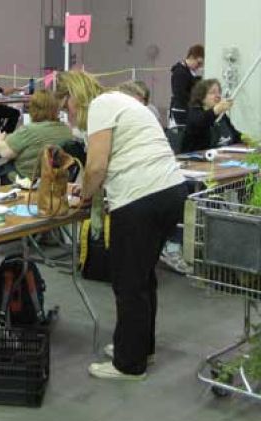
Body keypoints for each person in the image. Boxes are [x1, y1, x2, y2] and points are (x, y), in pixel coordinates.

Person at [56, 71, 188, 380]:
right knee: (143, 278)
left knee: (128, 281)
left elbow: (97, 166)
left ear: (73, 96)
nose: (68, 114)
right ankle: (141, 347)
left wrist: (84, 198)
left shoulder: (102, 105)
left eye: (66, 106)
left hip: (140, 198)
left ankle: (129, 364)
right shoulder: (121, 101)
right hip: (168, 191)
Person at [0, 90, 72, 186]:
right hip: (54, 180)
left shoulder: (29, 130)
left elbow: (6, 152)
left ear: (33, 108)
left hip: (24, 179)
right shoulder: (66, 130)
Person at [181, 78, 241, 152]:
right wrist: (216, 109)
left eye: (219, 92)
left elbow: (234, 135)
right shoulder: (195, 113)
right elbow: (202, 121)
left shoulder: (221, 115)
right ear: (202, 96)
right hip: (196, 159)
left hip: (222, 157)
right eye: (213, 92)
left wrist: (245, 139)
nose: (218, 95)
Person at [169, 44, 204, 126]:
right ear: (192, 57)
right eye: (198, 63)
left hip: (186, 109)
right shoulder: (180, 72)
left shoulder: (189, 73)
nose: (199, 67)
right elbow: (179, 94)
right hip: (180, 111)